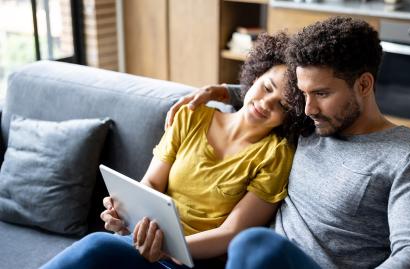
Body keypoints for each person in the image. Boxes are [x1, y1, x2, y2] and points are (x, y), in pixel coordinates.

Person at [167, 17, 410, 269]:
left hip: (272, 255)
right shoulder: (308, 127)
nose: (308, 108)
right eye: (302, 94)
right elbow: (266, 99)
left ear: (363, 85)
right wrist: (219, 92)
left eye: (322, 93)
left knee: (254, 243)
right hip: (261, 262)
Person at [41, 32, 307, 269]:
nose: (266, 103)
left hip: (191, 260)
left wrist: (166, 249)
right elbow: (152, 183)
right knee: (96, 244)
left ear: (290, 117)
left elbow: (232, 232)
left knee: (98, 247)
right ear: (256, 75)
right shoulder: (191, 116)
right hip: (144, 246)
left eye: (283, 106)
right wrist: (126, 212)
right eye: (267, 87)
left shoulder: (276, 155)